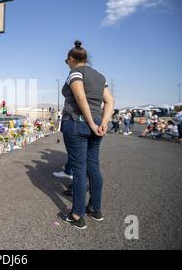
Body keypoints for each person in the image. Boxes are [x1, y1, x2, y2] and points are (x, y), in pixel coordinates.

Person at [59, 40, 114, 230]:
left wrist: (89, 122)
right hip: (98, 124)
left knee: (79, 168)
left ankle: (77, 214)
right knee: (93, 166)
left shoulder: (75, 72)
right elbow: (110, 101)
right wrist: (102, 122)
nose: (67, 64)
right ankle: (95, 209)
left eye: (67, 61)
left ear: (73, 59)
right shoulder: (100, 76)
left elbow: (80, 97)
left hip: (76, 122)